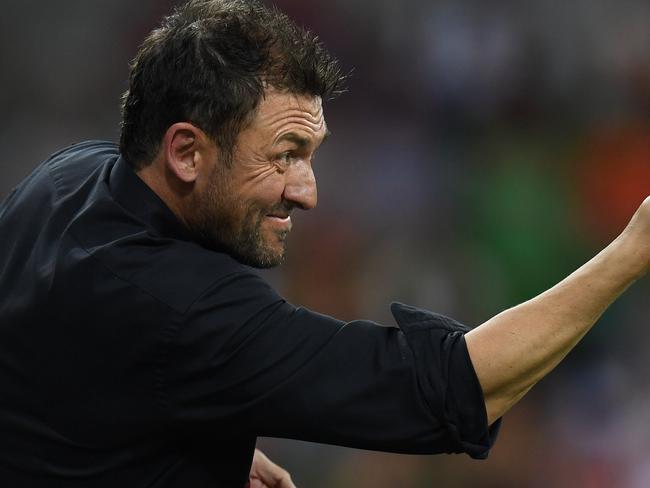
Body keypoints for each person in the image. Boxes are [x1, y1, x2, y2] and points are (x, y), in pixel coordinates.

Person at [0, 0, 648, 487]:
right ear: (187, 151)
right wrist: (629, 254)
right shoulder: (190, 312)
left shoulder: (65, 177)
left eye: (311, 156)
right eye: (284, 156)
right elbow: (449, 392)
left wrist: (179, 434)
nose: (306, 192)